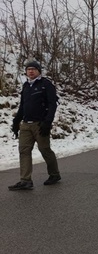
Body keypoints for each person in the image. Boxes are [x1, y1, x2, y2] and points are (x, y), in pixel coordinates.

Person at [9, 60, 61, 190]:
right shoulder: (26, 86)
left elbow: (52, 104)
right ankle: (25, 180)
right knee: (24, 151)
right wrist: (16, 122)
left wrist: (47, 122)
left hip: (40, 124)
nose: (30, 71)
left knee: (45, 150)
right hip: (26, 125)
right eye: (28, 69)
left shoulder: (46, 84)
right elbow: (23, 106)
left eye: (33, 69)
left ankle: (54, 174)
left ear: (38, 71)